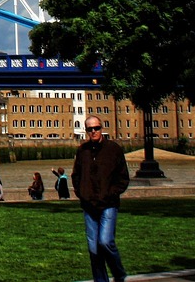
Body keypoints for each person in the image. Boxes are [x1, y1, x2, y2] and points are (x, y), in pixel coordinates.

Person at [73, 115, 130, 282]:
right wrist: (81, 193)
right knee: (94, 249)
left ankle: (118, 272)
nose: (93, 132)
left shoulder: (113, 150)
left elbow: (123, 177)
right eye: (89, 129)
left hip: (108, 204)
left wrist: (112, 193)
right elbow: (76, 175)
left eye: (96, 128)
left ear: (101, 129)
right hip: (89, 205)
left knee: (105, 242)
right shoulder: (82, 151)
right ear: (86, 131)